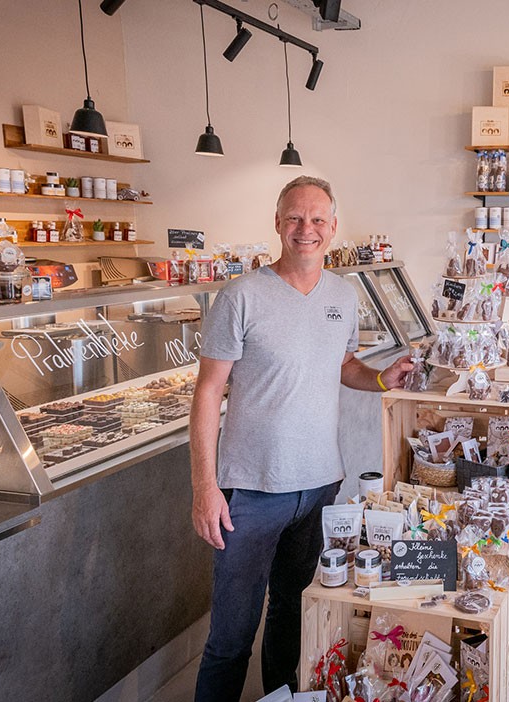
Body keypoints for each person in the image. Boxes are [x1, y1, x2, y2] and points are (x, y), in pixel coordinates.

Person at [190, 175, 412, 701]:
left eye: (316, 219)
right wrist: (205, 485)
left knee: (291, 615)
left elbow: (342, 364)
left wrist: (382, 379)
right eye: (294, 218)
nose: (305, 229)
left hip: (319, 489)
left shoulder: (342, 294)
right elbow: (207, 393)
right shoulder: (241, 295)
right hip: (250, 492)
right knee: (231, 636)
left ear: (333, 228)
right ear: (277, 223)